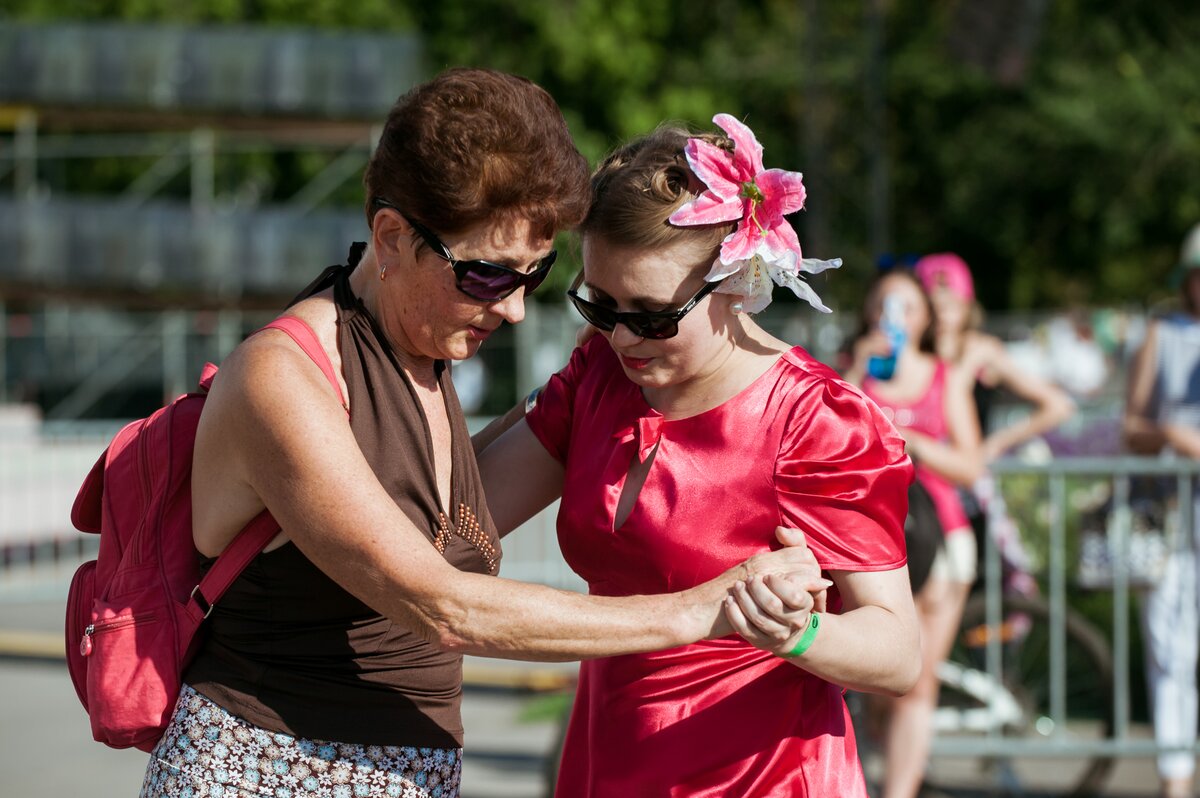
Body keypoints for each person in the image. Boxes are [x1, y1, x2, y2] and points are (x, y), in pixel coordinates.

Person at [139, 70, 824, 798]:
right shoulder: (282, 378)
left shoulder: (421, 353)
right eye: (490, 277)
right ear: (393, 236)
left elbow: (479, 509)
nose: (518, 310)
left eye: (537, 275)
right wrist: (713, 606)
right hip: (269, 771)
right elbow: (446, 605)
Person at [477, 115, 921, 797]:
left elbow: (898, 654)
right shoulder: (601, 373)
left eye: (653, 315)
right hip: (607, 764)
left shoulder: (813, 420)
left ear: (737, 280)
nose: (625, 338)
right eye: (599, 305)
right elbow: (457, 522)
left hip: (761, 778)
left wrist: (794, 632)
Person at [843, 266, 984, 798]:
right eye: (883, 305)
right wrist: (857, 368)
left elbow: (970, 466)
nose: (892, 317)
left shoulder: (943, 376)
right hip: (870, 540)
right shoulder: (853, 373)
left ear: (925, 318)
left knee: (916, 678)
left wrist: (911, 440)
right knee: (878, 677)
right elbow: (825, 437)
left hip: (940, 539)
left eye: (905, 307)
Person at [916, 252, 1075, 593]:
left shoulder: (979, 350)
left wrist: (996, 444)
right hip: (922, 485)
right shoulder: (910, 354)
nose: (943, 314)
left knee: (975, 584)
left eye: (951, 304)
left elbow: (1057, 405)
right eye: (934, 305)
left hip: (967, 486)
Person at [1123, 222, 1200, 798]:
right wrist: (1173, 434)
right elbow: (1131, 426)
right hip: (1171, 514)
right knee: (1171, 645)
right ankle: (1178, 775)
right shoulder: (1164, 332)